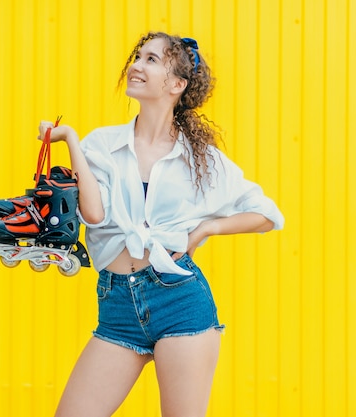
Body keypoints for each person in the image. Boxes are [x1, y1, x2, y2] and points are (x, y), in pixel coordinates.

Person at [38, 31, 285, 417]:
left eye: (151, 60)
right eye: (138, 56)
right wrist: (69, 138)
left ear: (176, 84)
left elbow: (268, 215)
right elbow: (94, 215)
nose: (136, 65)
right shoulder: (101, 144)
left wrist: (206, 229)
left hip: (179, 302)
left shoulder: (199, 160)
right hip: (117, 307)